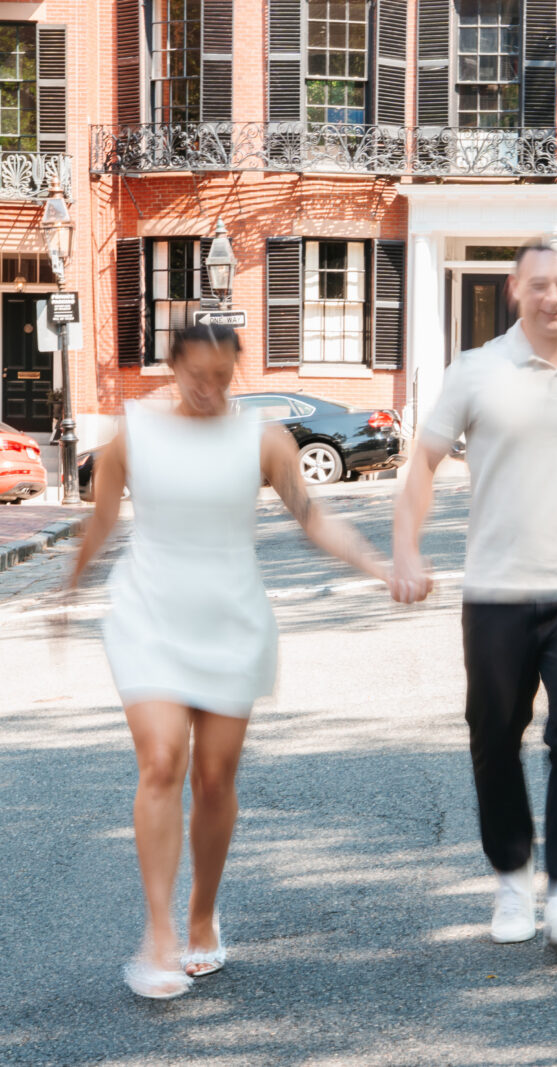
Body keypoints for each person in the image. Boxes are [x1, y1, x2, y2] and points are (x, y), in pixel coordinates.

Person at [65, 324, 390, 999]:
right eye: (196, 374)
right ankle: (158, 934)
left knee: (214, 779)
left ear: (235, 371)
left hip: (231, 621)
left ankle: (201, 915)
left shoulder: (264, 439)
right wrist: (68, 585)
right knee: (161, 762)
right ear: (174, 367)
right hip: (149, 615)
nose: (208, 387)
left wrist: (377, 564)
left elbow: (314, 518)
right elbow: (100, 522)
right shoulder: (136, 434)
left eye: (221, 374)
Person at [391, 242, 557, 947]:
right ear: (516, 289)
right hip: (496, 592)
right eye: (540, 284)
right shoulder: (477, 371)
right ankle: (512, 877)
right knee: (494, 738)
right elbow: (423, 461)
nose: (554, 297)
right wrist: (407, 548)